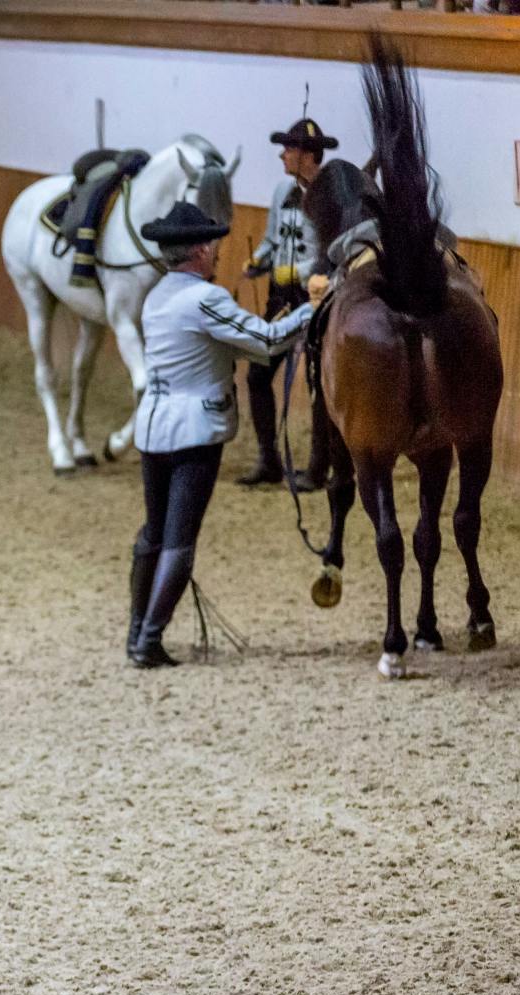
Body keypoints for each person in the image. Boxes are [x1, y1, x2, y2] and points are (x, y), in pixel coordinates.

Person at [128, 202, 314, 668]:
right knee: (179, 540)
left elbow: (224, 343)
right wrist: (312, 310)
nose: (215, 252)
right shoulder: (205, 299)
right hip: (194, 432)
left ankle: (137, 632)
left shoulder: (157, 296)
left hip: (153, 426)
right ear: (197, 251)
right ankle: (150, 639)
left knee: (153, 533)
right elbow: (268, 341)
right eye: (209, 245)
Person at [237, 115, 336, 488]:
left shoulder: (328, 197)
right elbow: (272, 238)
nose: (282, 156)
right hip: (279, 298)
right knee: (259, 373)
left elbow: (331, 253)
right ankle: (268, 459)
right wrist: (259, 262)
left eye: (289, 149)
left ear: (308, 156)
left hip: (314, 296)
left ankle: (317, 467)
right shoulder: (282, 191)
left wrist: (295, 273)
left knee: (316, 381)